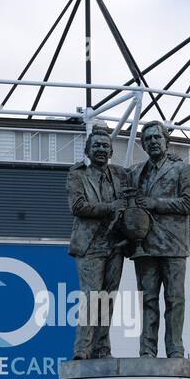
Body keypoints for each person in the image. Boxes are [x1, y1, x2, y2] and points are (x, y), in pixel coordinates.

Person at [129, 121, 190, 359]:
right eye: (148, 139)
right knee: (147, 300)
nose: (153, 142)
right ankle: (147, 350)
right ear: (143, 145)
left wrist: (156, 203)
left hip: (173, 245)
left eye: (157, 137)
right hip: (145, 246)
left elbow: (189, 204)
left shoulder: (181, 169)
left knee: (174, 300)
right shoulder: (136, 171)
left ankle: (175, 349)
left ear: (166, 141)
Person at [66, 124, 129, 359]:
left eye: (105, 146)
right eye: (97, 146)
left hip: (116, 244)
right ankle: (83, 348)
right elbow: (78, 206)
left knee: (108, 299)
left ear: (112, 151)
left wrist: (171, 156)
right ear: (88, 150)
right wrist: (110, 208)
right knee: (91, 297)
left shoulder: (121, 175)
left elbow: (144, 176)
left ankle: (103, 348)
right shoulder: (77, 174)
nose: (101, 149)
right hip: (90, 245)